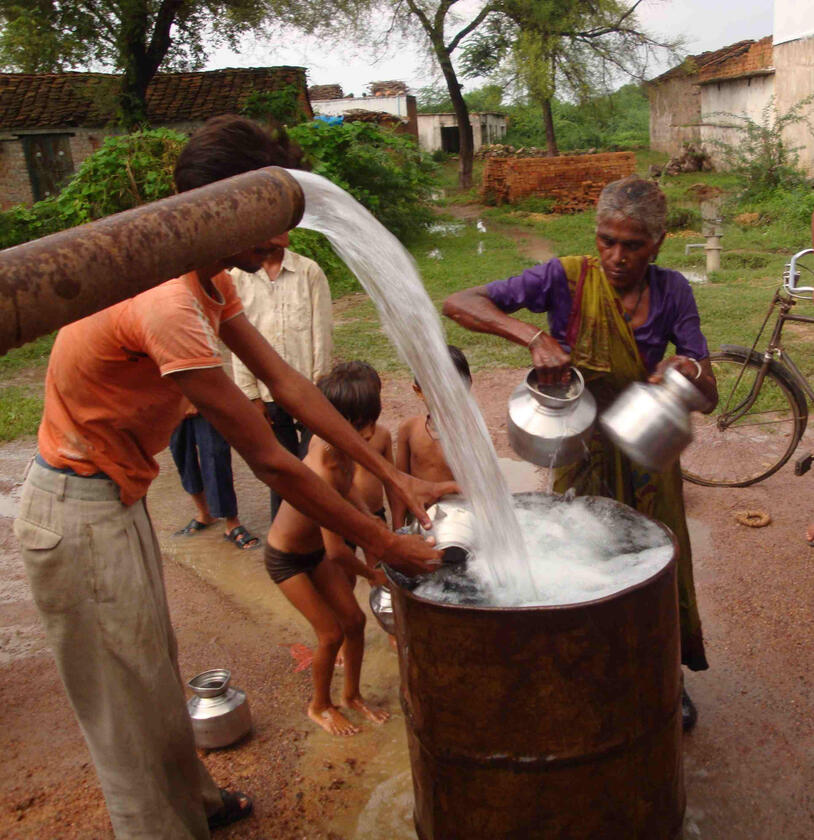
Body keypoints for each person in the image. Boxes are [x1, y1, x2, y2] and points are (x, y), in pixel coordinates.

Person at [13, 115, 453, 840]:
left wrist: (390, 475)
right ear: (201, 213)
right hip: (75, 506)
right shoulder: (168, 303)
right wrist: (388, 542)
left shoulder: (208, 278)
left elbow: (291, 387)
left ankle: (198, 803)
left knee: (152, 665)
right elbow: (272, 458)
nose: (281, 241)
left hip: (111, 497)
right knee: (122, 698)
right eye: (264, 223)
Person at [443, 175, 718, 732]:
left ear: (658, 243)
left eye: (633, 245)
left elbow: (707, 395)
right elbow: (458, 301)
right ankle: (592, 675)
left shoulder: (672, 293)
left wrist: (685, 369)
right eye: (606, 240)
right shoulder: (565, 278)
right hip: (583, 448)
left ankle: (666, 679)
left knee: (658, 565)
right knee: (587, 560)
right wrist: (530, 336)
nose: (616, 256)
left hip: (648, 450)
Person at [265, 362, 391, 736]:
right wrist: (373, 574)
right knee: (331, 634)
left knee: (355, 622)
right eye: (360, 424)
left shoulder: (340, 445)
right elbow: (337, 553)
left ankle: (351, 695)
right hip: (287, 560)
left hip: (314, 553)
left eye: (372, 421)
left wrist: (369, 516)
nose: (369, 433)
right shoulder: (317, 472)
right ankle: (319, 705)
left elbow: (348, 483)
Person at [231, 231, 333, 521]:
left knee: (313, 465)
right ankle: (285, 538)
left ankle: (317, 533)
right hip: (267, 394)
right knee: (281, 470)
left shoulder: (308, 271)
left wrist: (319, 387)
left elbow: (321, 333)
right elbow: (237, 342)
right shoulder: (238, 278)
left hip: (307, 390)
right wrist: (251, 396)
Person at [392, 345, 471, 529]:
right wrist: (398, 526)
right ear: (418, 390)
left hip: (460, 521)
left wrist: (445, 488)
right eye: (435, 390)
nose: (444, 398)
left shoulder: (471, 433)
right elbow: (400, 484)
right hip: (420, 520)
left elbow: (482, 486)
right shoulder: (409, 429)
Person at [170, 409, 259, 549]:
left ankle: (232, 523)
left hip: (204, 395)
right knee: (181, 452)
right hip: (170, 399)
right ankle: (205, 514)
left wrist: (192, 398)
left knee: (215, 454)